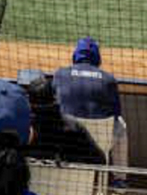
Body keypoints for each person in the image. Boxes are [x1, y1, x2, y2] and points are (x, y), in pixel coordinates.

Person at [53, 37, 128, 186]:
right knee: (122, 125)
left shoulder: (60, 74)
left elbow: (54, 106)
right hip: (100, 143)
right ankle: (120, 179)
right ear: (97, 56)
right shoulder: (109, 79)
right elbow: (116, 113)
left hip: (67, 139)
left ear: (76, 54)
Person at [25, 75, 106, 165]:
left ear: (29, 103)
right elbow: (100, 160)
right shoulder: (73, 128)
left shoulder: (23, 128)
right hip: (70, 177)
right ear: (56, 100)